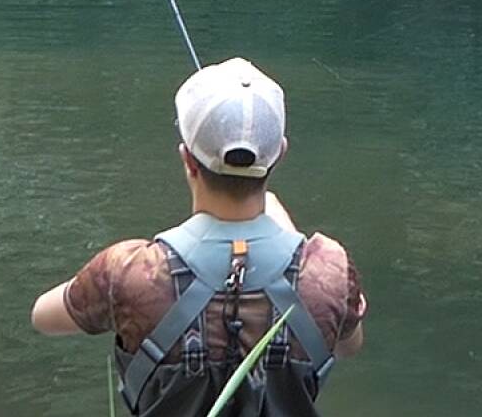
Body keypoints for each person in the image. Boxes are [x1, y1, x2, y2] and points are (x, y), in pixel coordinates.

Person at [31, 57, 366, 416]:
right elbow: (349, 345)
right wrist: (289, 235)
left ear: (187, 159)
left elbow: (43, 317)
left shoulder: (129, 271)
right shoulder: (329, 270)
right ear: (279, 154)